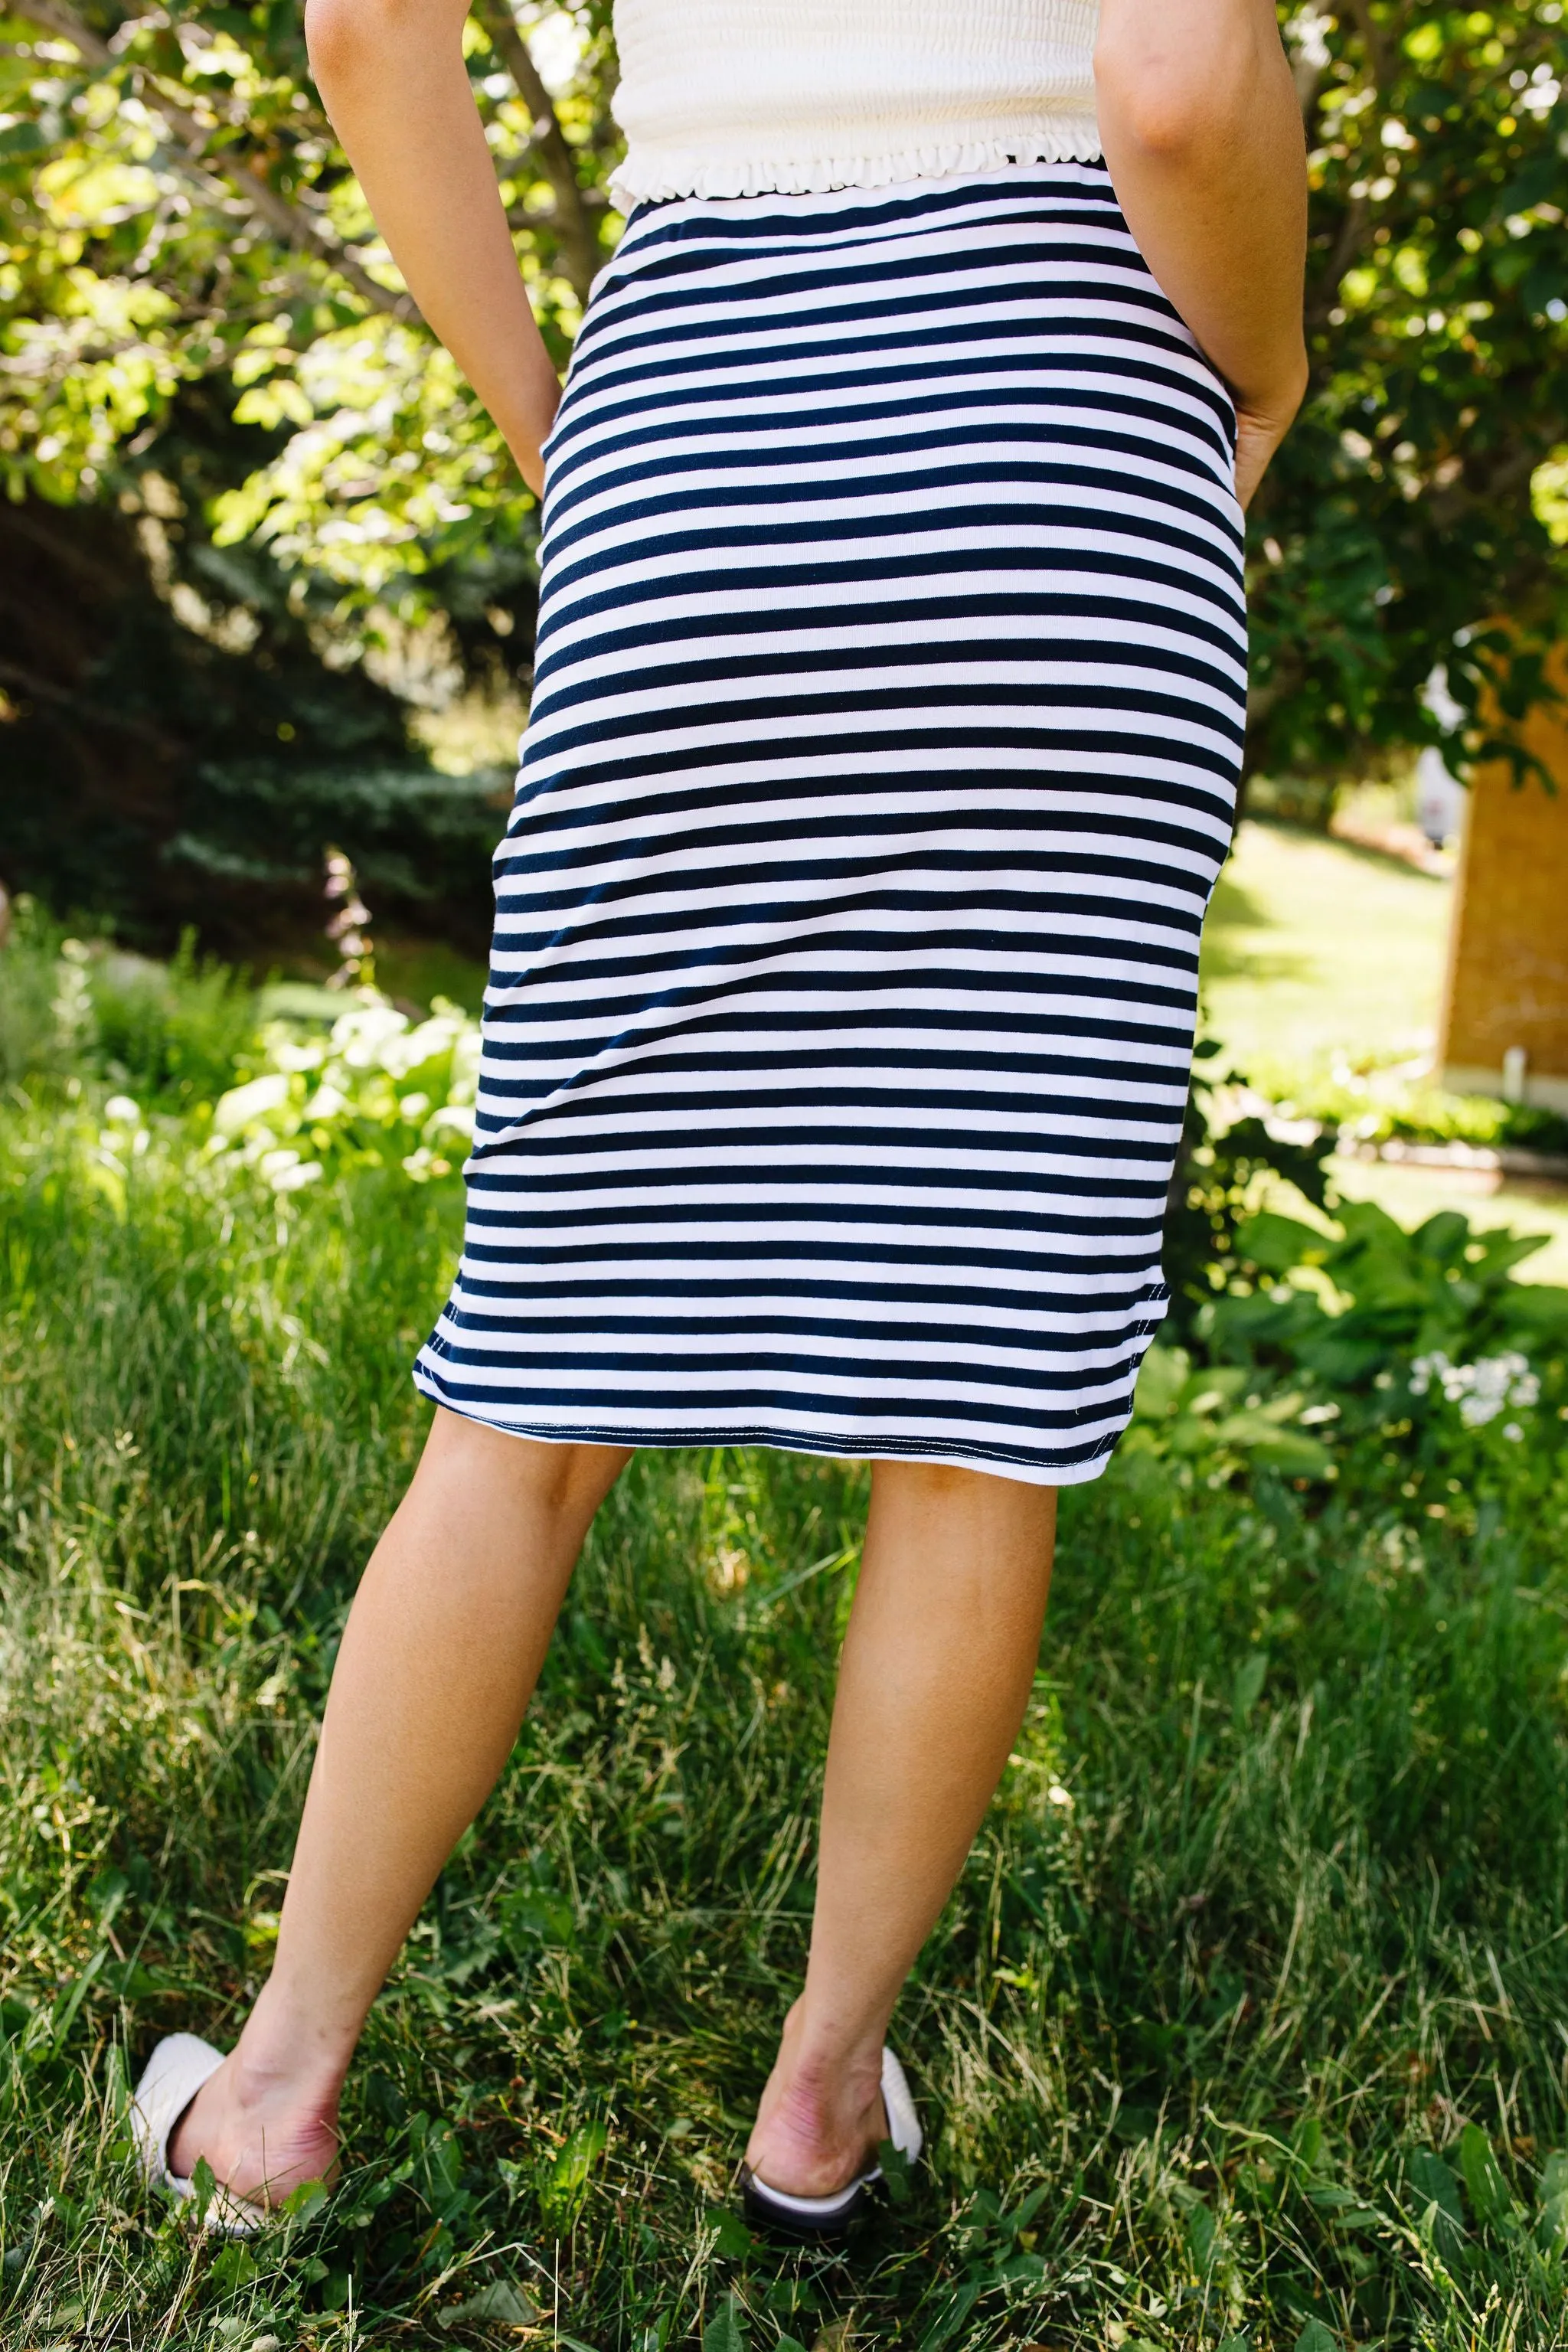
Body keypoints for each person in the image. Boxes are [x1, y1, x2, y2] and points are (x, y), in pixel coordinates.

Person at [131, 0, 1307, 2235]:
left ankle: (278, 2090)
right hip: (1066, 431)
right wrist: (1265, 364)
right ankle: (819, 2102)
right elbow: (1170, 86)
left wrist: (557, 434)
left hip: (691, 433)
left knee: (533, 1383)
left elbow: (371, 29)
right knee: (976, 1405)